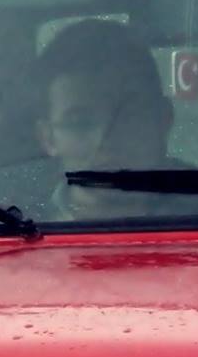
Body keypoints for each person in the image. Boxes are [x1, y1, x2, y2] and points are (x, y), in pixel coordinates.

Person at [34, 18, 178, 219]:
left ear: (164, 120)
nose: (105, 140)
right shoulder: (6, 222)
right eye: (80, 123)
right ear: (48, 139)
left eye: (127, 118)